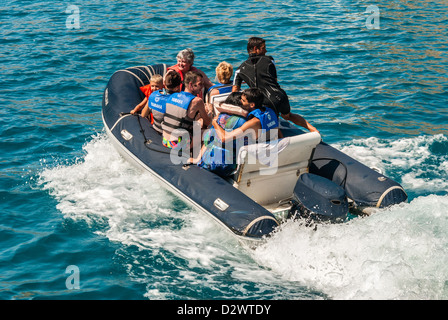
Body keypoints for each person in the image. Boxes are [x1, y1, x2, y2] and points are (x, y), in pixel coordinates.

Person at [232, 37, 318, 133]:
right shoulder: (269, 60)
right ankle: (313, 129)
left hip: (264, 101)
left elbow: (234, 91)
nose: (266, 50)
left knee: (271, 122)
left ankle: (279, 141)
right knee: (288, 116)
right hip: (280, 96)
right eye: (263, 48)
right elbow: (274, 80)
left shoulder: (239, 70)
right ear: (256, 48)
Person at [192, 92, 248, 177]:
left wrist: (197, 159)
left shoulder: (220, 117)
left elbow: (207, 139)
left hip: (209, 161)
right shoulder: (243, 122)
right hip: (227, 167)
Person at [161, 70, 212, 149]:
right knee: (210, 133)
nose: (202, 87)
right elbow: (208, 122)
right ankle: (198, 158)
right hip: (177, 144)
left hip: (165, 140)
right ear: (191, 85)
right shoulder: (197, 101)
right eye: (200, 84)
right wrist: (210, 111)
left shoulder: (173, 95)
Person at [140, 70, 182, 134]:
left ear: (164, 84)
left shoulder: (152, 96)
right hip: (170, 134)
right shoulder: (179, 101)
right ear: (177, 87)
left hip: (155, 129)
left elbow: (143, 114)